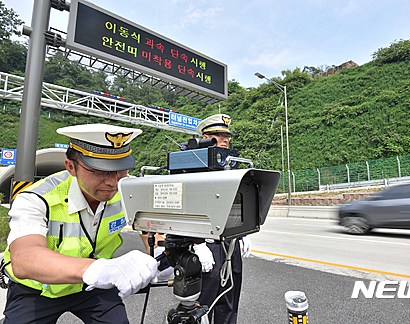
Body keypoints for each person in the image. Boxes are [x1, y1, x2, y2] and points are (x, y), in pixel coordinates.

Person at [1, 124, 161, 323]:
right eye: (99, 171)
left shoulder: (126, 189)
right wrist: (99, 270)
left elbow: (150, 224)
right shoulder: (36, 198)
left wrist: (162, 254)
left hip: (92, 287)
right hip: (36, 288)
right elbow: (25, 259)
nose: (112, 181)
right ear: (71, 167)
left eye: (120, 170)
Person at [195, 113, 252, 324]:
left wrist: (243, 232)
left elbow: (235, 201)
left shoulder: (230, 165)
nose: (225, 139)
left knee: (229, 299)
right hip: (205, 244)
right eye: (218, 135)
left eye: (226, 135)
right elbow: (184, 206)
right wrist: (196, 244)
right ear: (204, 137)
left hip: (229, 242)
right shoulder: (190, 166)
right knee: (199, 304)